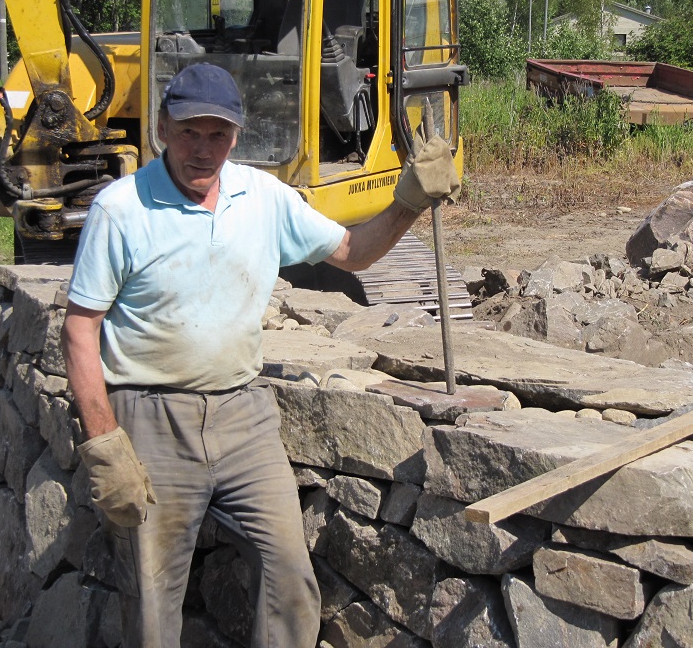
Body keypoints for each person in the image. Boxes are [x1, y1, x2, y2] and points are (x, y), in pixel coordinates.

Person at [60, 62, 459, 648]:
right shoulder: (122, 209)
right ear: (164, 129)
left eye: (217, 134)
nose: (203, 149)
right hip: (150, 417)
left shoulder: (263, 196)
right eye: (189, 131)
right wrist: (103, 442)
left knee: (290, 574)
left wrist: (410, 201)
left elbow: (353, 251)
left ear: (236, 136)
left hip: (243, 416)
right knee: (152, 594)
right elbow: (80, 328)